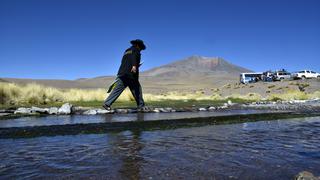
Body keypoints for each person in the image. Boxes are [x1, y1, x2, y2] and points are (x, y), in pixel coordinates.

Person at [103, 39, 146, 110]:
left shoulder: (126, 51)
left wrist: (134, 65)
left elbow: (124, 61)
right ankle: (141, 106)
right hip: (131, 74)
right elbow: (134, 57)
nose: (141, 50)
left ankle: (107, 103)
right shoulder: (136, 50)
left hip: (122, 73)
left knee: (117, 89)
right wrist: (134, 65)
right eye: (141, 48)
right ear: (138, 45)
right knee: (137, 89)